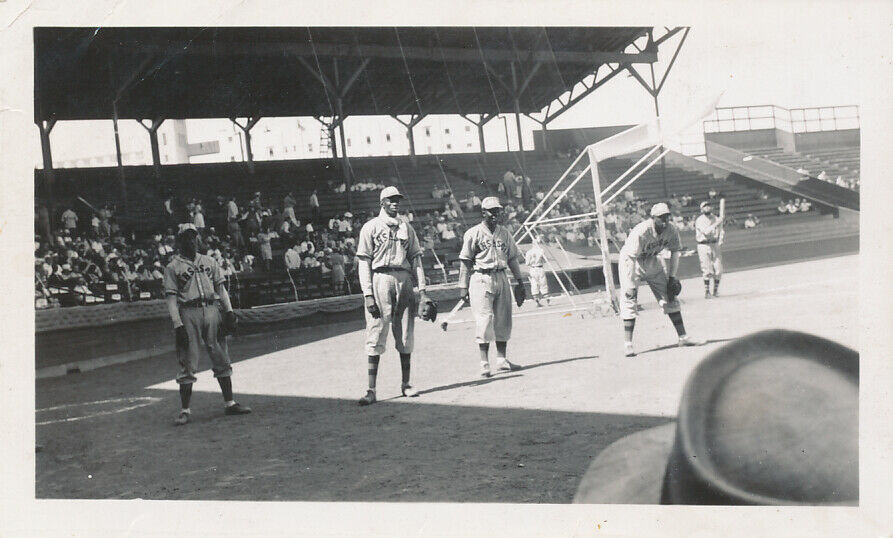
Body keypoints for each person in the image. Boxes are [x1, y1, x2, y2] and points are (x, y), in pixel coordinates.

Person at [163, 223, 251, 426]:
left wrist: (228, 312)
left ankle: (230, 403)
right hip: (188, 312)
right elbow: (171, 300)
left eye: (193, 237)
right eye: (186, 237)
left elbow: (221, 289)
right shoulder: (173, 266)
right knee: (188, 361)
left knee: (221, 355)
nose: (191, 240)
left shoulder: (209, 261)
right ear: (179, 241)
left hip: (212, 309)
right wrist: (177, 325)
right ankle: (185, 410)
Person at [355, 186, 431, 406]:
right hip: (380, 278)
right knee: (376, 331)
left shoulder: (406, 227)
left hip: (404, 278)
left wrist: (423, 292)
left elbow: (416, 260)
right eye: (391, 200)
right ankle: (371, 389)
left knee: (406, 333)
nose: (395, 203)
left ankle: (406, 384)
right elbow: (364, 263)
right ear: (382, 203)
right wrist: (368, 294)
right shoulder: (370, 227)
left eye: (397, 199)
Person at [618, 203, 703, 357]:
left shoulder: (671, 229)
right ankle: (628, 344)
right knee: (629, 298)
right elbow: (631, 258)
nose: (664, 220)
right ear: (653, 218)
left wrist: (672, 277)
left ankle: (683, 338)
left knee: (670, 296)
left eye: (666, 217)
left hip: (652, 260)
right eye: (661, 217)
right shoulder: (642, 231)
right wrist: (630, 284)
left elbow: (675, 252)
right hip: (631, 261)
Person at [458, 196, 526, 378]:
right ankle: (484, 363)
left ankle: (502, 360)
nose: (495, 214)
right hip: (481, 277)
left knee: (503, 319)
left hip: (502, 275)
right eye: (491, 211)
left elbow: (512, 258)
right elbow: (465, 261)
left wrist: (520, 281)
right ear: (483, 213)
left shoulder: (505, 233)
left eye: (497, 210)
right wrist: (462, 286)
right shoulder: (473, 233)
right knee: (484, 320)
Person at [694, 201, 724, 298]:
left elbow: (721, 231)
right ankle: (707, 292)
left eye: (709, 206)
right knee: (707, 269)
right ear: (701, 209)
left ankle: (715, 291)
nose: (707, 208)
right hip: (703, 245)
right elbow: (706, 232)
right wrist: (717, 223)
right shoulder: (699, 220)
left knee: (718, 269)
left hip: (714, 244)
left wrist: (721, 238)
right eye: (705, 206)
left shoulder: (716, 218)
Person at [524, 238, 550, 307]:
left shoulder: (528, 252)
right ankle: (546, 298)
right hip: (540, 268)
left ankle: (537, 300)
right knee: (543, 283)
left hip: (533, 269)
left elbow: (527, 263)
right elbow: (544, 260)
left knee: (534, 284)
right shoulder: (541, 251)